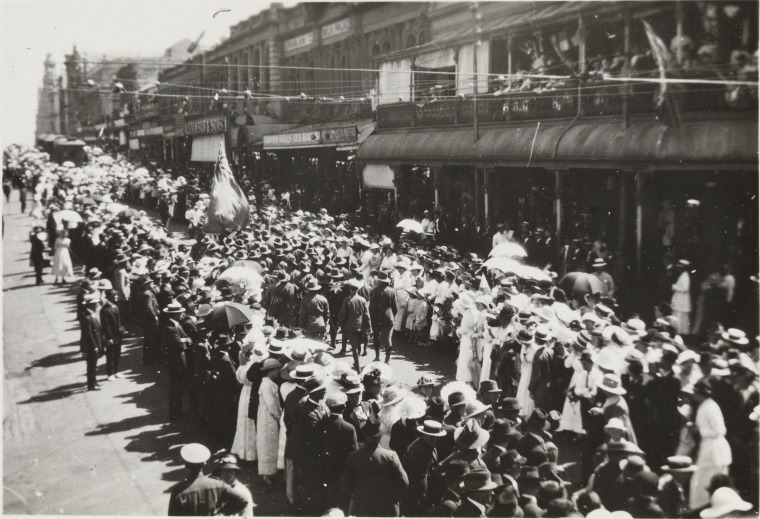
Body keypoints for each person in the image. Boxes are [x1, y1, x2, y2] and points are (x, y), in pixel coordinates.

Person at [340, 417, 409, 517]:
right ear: (380, 435)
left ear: (365, 434)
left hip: (361, 508)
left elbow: (345, 486)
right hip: (387, 509)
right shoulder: (391, 456)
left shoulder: (353, 457)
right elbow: (404, 483)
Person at [168, 443, 248, 516]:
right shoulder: (219, 485)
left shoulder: (178, 491)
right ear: (204, 464)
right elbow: (243, 499)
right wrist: (221, 514)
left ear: (186, 465)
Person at [689, 379, 733, 509]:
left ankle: (707, 508)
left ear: (699, 393)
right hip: (708, 449)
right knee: (701, 482)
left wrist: (699, 430)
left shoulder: (710, 407)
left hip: (714, 451)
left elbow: (720, 430)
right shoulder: (704, 405)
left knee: (707, 482)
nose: (692, 395)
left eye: (694, 392)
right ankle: (702, 508)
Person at [162, 302, 191, 420]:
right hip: (176, 362)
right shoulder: (170, 328)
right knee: (176, 388)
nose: (182, 314)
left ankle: (177, 411)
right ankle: (175, 413)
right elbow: (180, 345)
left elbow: (187, 338)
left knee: (178, 387)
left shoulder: (176, 325)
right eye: (180, 313)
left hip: (179, 361)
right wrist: (185, 341)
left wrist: (184, 340)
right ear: (175, 314)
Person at [257, 358, 282, 487]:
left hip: (270, 416)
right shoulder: (266, 385)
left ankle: (271, 472)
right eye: (277, 370)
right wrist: (279, 417)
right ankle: (267, 476)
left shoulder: (269, 383)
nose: (278, 372)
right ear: (271, 371)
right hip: (268, 417)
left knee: (271, 443)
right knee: (268, 444)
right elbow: (271, 404)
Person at [338, 278, 372, 372]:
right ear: (357, 289)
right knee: (359, 345)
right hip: (361, 325)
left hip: (350, 325)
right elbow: (367, 314)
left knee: (354, 347)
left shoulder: (347, 299)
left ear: (350, 289)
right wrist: (369, 326)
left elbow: (343, 314)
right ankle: (358, 363)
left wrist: (341, 323)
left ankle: (357, 366)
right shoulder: (363, 299)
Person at [369, 271, 397, 363]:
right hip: (388, 316)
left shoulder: (374, 291)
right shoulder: (392, 291)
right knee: (388, 338)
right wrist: (393, 316)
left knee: (376, 337)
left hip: (377, 317)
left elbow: (371, 307)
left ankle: (377, 356)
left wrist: (372, 318)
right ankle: (387, 359)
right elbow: (395, 307)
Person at [79, 293, 103, 391]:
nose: (96, 305)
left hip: (95, 344)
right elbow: (88, 334)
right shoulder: (87, 317)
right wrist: (94, 346)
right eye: (95, 303)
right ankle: (91, 385)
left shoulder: (91, 314)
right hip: (91, 346)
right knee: (91, 366)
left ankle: (94, 381)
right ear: (90, 305)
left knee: (94, 365)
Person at [99, 284, 123, 380]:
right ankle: (110, 374)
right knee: (110, 355)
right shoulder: (104, 310)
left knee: (117, 354)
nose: (117, 296)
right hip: (111, 336)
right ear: (110, 297)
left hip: (118, 334)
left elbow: (119, 321)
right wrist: (109, 338)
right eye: (115, 295)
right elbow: (106, 325)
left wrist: (121, 329)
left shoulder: (115, 306)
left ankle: (116, 371)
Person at [671, 260, 693, 335]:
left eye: (680, 267)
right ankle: (678, 331)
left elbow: (685, 289)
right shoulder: (683, 275)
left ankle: (679, 332)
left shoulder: (685, 276)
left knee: (679, 316)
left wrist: (674, 287)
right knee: (678, 315)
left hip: (681, 300)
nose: (678, 269)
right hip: (680, 300)